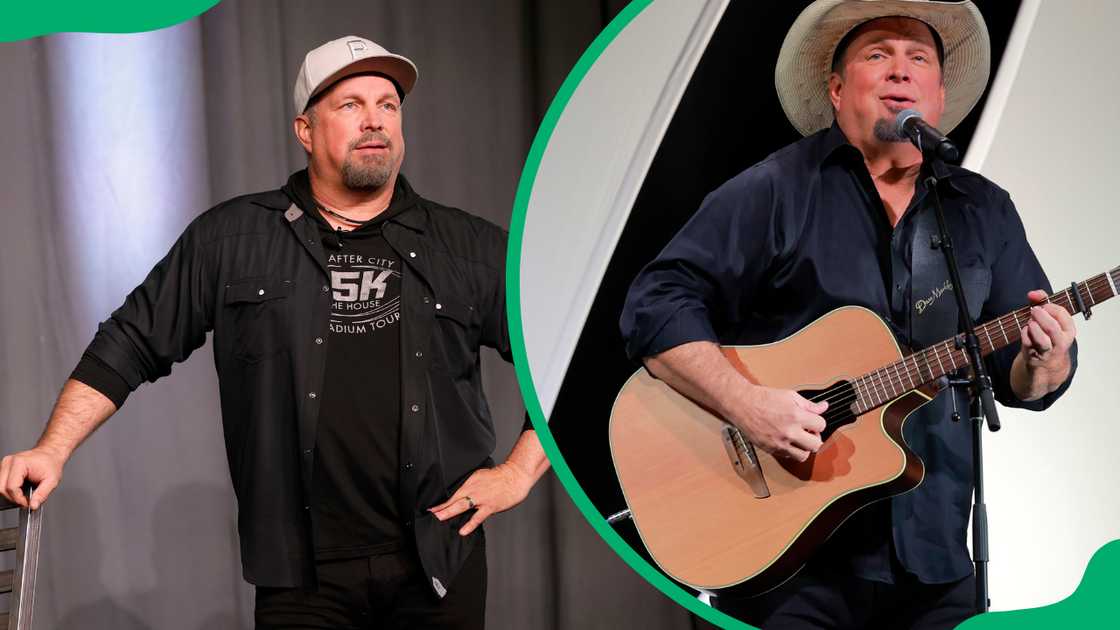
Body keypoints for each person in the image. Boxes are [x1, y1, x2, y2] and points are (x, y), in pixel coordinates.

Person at [0, 35, 548, 629]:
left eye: (388, 105)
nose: (375, 122)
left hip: (440, 560)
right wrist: (53, 448)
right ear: (305, 131)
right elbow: (129, 342)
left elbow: (563, 358)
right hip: (301, 574)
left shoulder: (468, 247)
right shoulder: (232, 240)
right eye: (349, 105)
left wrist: (518, 471)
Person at [620, 1, 1077, 628]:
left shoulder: (982, 210)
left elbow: (1023, 382)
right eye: (877, 55)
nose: (900, 71)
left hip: (936, 562)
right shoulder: (776, 189)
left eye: (919, 59)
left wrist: (1043, 359)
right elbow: (655, 303)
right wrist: (746, 405)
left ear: (939, 95)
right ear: (836, 90)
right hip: (789, 562)